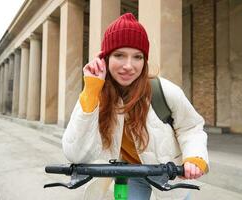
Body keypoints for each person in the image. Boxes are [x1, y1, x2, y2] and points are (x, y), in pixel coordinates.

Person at [62, 13, 209, 200]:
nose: (128, 66)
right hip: (130, 175)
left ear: (144, 61)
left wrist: (194, 158)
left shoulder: (164, 91)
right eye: (119, 55)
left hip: (168, 173)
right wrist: (91, 90)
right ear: (104, 58)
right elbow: (75, 153)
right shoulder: (95, 93)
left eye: (137, 57)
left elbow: (191, 127)